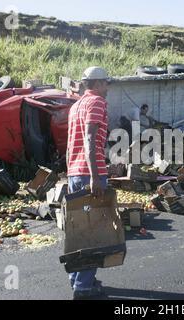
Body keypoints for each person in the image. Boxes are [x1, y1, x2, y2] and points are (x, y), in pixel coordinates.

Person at [66, 66, 111, 299]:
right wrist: (94, 176)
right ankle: (83, 288)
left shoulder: (76, 106)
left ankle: (79, 278)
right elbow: (90, 138)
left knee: (79, 229)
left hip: (75, 172)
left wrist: (69, 174)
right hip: (89, 174)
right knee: (94, 230)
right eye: (107, 83)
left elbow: (69, 144)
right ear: (98, 83)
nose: (108, 87)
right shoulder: (97, 103)